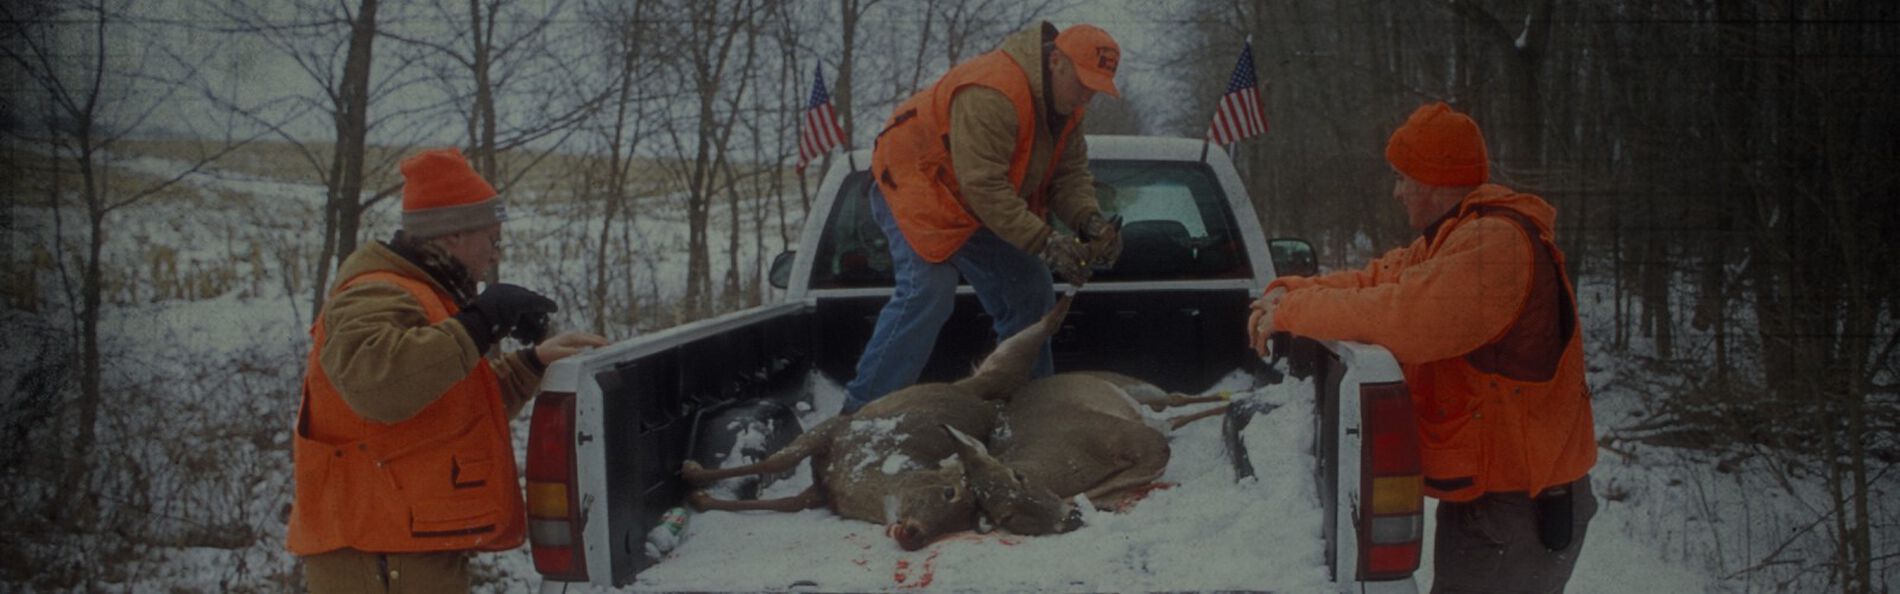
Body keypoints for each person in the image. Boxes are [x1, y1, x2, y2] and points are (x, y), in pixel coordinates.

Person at [1248, 102, 1598, 593]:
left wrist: (1291, 315)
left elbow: (1405, 318)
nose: (1396, 192)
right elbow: (1377, 280)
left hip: (1521, 509)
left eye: (1402, 177)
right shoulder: (1453, 239)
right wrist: (1291, 291)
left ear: (1433, 181)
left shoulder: (1496, 245)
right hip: (1489, 501)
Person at [287, 148, 608, 593]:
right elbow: (378, 386)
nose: (494, 256)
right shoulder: (375, 293)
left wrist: (530, 364)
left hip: (403, 544)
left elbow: (446, 407)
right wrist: (480, 321)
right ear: (454, 234)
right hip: (376, 555)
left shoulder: (427, 295)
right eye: (492, 241)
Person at [842, 21, 1126, 414]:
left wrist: (1089, 221)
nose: (1087, 97)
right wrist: (1047, 242)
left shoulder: (1069, 110)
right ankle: (861, 414)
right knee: (928, 289)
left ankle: (1029, 407)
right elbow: (986, 187)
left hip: (976, 200)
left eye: (1096, 88)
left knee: (1031, 287)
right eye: (1083, 83)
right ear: (1056, 61)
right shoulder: (992, 91)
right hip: (920, 183)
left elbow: (1069, 176)